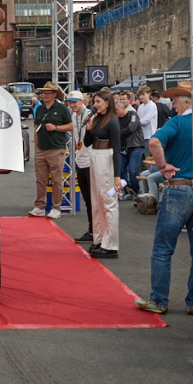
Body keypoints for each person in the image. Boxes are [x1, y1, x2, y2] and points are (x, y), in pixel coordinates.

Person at [135, 87, 193, 315]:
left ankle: (159, 300)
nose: (173, 106)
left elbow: (154, 142)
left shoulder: (176, 122)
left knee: (163, 249)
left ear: (185, 102)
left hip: (179, 188)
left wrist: (163, 166)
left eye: (175, 101)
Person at [83, 88, 123, 259]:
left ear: (107, 103)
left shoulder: (112, 121)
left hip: (106, 159)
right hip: (95, 157)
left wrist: (117, 176)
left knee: (108, 201)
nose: (95, 105)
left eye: (98, 102)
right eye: (94, 102)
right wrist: (88, 127)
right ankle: (99, 239)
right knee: (97, 201)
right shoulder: (97, 119)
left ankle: (110, 244)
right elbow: (87, 142)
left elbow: (117, 150)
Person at [28, 82, 72, 219]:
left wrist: (56, 128)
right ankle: (40, 207)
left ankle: (56, 207)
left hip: (56, 148)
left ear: (54, 95)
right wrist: (36, 146)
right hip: (41, 148)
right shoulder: (40, 108)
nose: (45, 95)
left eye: (48, 93)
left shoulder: (62, 108)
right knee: (40, 179)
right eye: (44, 93)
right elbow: (36, 127)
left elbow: (71, 126)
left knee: (56, 179)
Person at [66, 90, 94, 244]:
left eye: (74, 102)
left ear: (82, 101)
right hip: (80, 161)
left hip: (92, 161)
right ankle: (91, 230)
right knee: (87, 200)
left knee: (93, 199)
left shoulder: (90, 115)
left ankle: (96, 231)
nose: (72, 105)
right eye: (69, 102)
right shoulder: (73, 116)